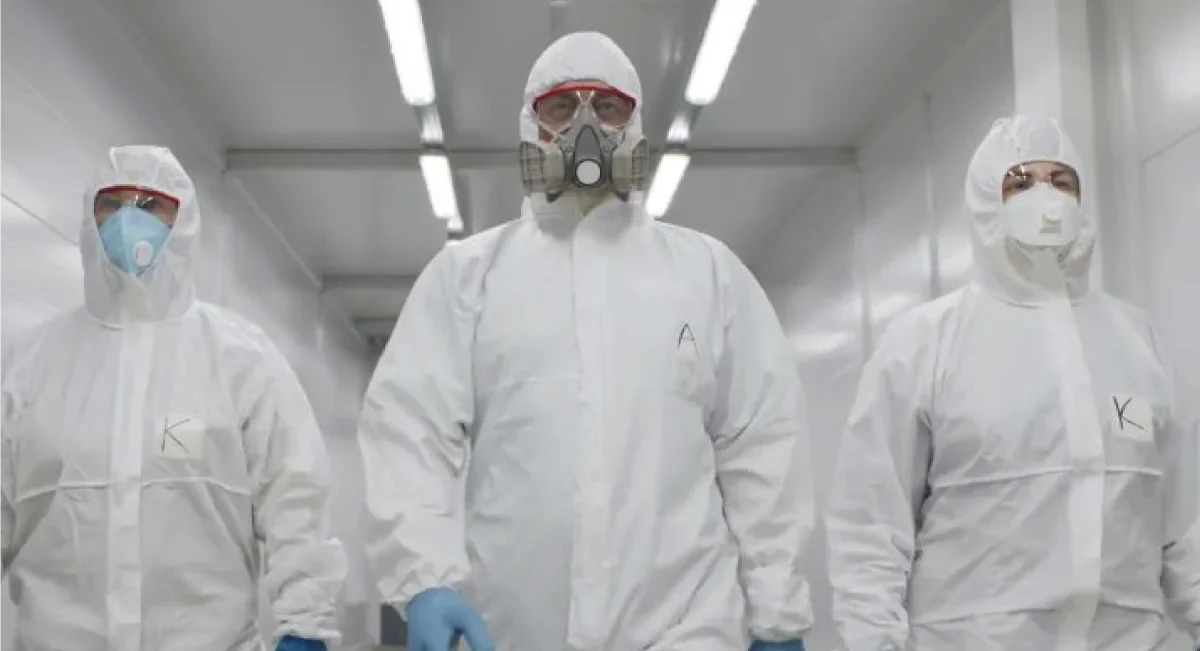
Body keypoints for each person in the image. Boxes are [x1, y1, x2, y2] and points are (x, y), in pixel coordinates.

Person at [359, 31, 814, 651]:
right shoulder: (469, 278)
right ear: (531, 125)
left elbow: (761, 447)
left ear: (635, 124)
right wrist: (424, 580)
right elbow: (408, 433)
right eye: (560, 108)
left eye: (607, 107)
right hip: (516, 628)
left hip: (687, 626)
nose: (585, 127)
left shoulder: (708, 276)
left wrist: (776, 611)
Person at [825, 114, 1200, 651]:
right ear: (985, 201)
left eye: (1062, 181)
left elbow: (1185, 519)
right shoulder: (925, 343)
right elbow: (870, 521)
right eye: (1021, 182)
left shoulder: (1134, 338)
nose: (1045, 196)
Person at [0, 146, 345, 651]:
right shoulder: (31, 365)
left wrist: (304, 625)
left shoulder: (239, 359)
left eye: (150, 204)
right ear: (88, 218)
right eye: (111, 204)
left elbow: (295, 498)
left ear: (183, 220)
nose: (128, 219)